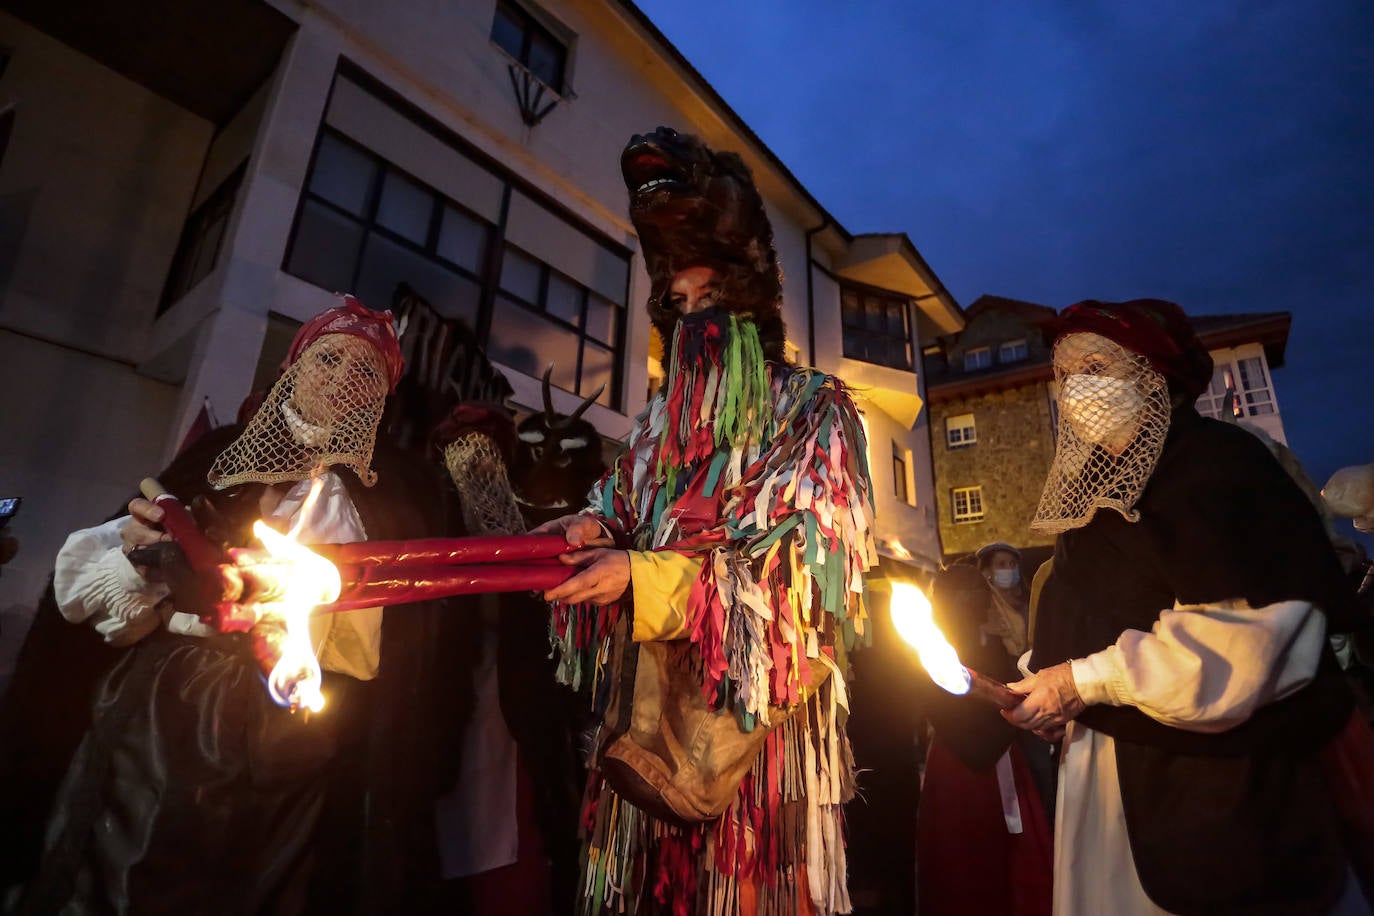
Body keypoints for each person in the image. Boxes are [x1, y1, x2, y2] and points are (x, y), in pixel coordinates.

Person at [7, 295, 451, 915]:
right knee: (135, 875)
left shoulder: (399, 495)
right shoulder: (215, 457)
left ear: (381, 397)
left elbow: (403, 642)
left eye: (365, 371)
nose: (342, 377)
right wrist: (146, 560)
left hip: (305, 731)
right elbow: (102, 590)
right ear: (293, 367)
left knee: (266, 884)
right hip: (173, 709)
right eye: (327, 358)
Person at [535, 127, 877, 915]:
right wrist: (585, 531)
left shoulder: (813, 408)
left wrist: (647, 577)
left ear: (749, 305)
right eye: (677, 304)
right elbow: (612, 512)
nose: (692, 320)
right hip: (643, 731)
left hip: (753, 741)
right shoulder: (654, 429)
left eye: (711, 301)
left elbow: (802, 586)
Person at [1003, 298, 1369, 915]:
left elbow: (1243, 643)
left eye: (1095, 366)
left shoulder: (1218, 466)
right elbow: (1084, 619)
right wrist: (1044, 686)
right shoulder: (1092, 502)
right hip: (1105, 775)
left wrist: (1085, 681)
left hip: (1211, 780)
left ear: (1154, 375)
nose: (1074, 388)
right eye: (1064, 375)